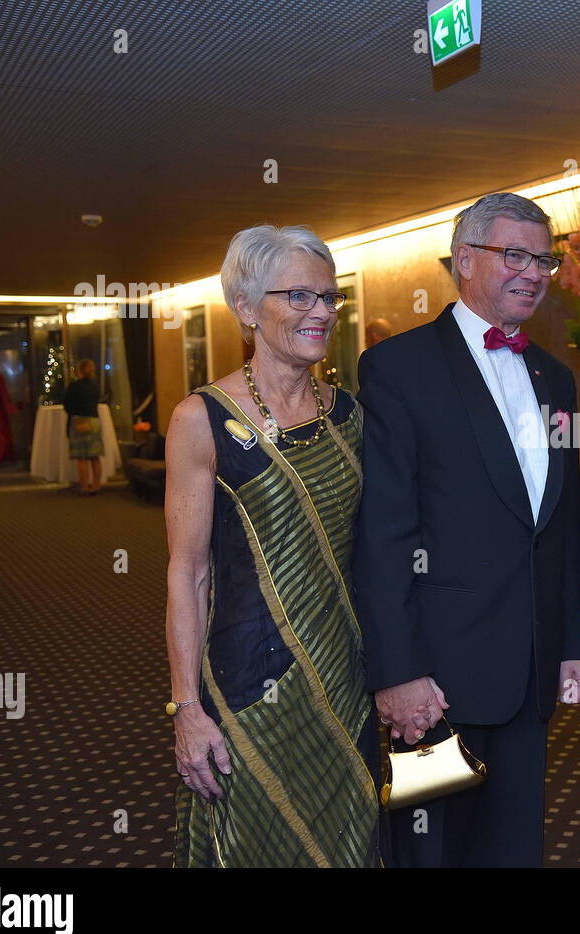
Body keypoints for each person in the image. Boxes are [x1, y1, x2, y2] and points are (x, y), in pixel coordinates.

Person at [354, 192, 580, 867]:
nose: (535, 271)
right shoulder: (399, 369)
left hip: (530, 669)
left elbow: (560, 523)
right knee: (431, 851)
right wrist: (399, 670)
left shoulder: (556, 378)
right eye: (514, 254)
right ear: (464, 260)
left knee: (514, 849)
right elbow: (384, 533)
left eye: (543, 257)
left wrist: (572, 640)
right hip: (436, 684)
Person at [164, 225, 380, 867]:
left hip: (348, 678)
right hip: (252, 685)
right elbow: (187, 572)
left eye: (328, 297)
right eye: (299, 297)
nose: (321, 313)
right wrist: (186, 708)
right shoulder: (201, 421)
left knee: (351, 844)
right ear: (247, 308)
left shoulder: (350, 416)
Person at [63, 359, 104, 495]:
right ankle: (97, 485)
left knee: (82, 457)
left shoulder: (74, 386)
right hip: (95, 421)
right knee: (95, 456)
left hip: (80, 422)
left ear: (79, 371)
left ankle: (85, 487)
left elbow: (67, 406)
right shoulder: (95, 386)